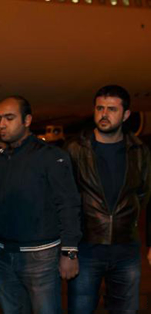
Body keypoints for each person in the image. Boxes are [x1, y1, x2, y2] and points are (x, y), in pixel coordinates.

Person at [0, 96, 81, 314]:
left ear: (27, 120)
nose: (2, 125)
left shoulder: (50, 157)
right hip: (4, 257)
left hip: (42, 258)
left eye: (9, 118)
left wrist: (69, 251)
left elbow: (69, 204)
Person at [65, 85, 151, 314]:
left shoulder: (140, 151)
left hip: (126, 248)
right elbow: (66, 201)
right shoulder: (75, 149)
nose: (104, 114)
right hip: (87, 247)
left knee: (126, 310)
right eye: (100, 108)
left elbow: (144, 195)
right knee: (80, 309)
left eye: (112, 109)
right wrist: (68, 249)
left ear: (125, 115)